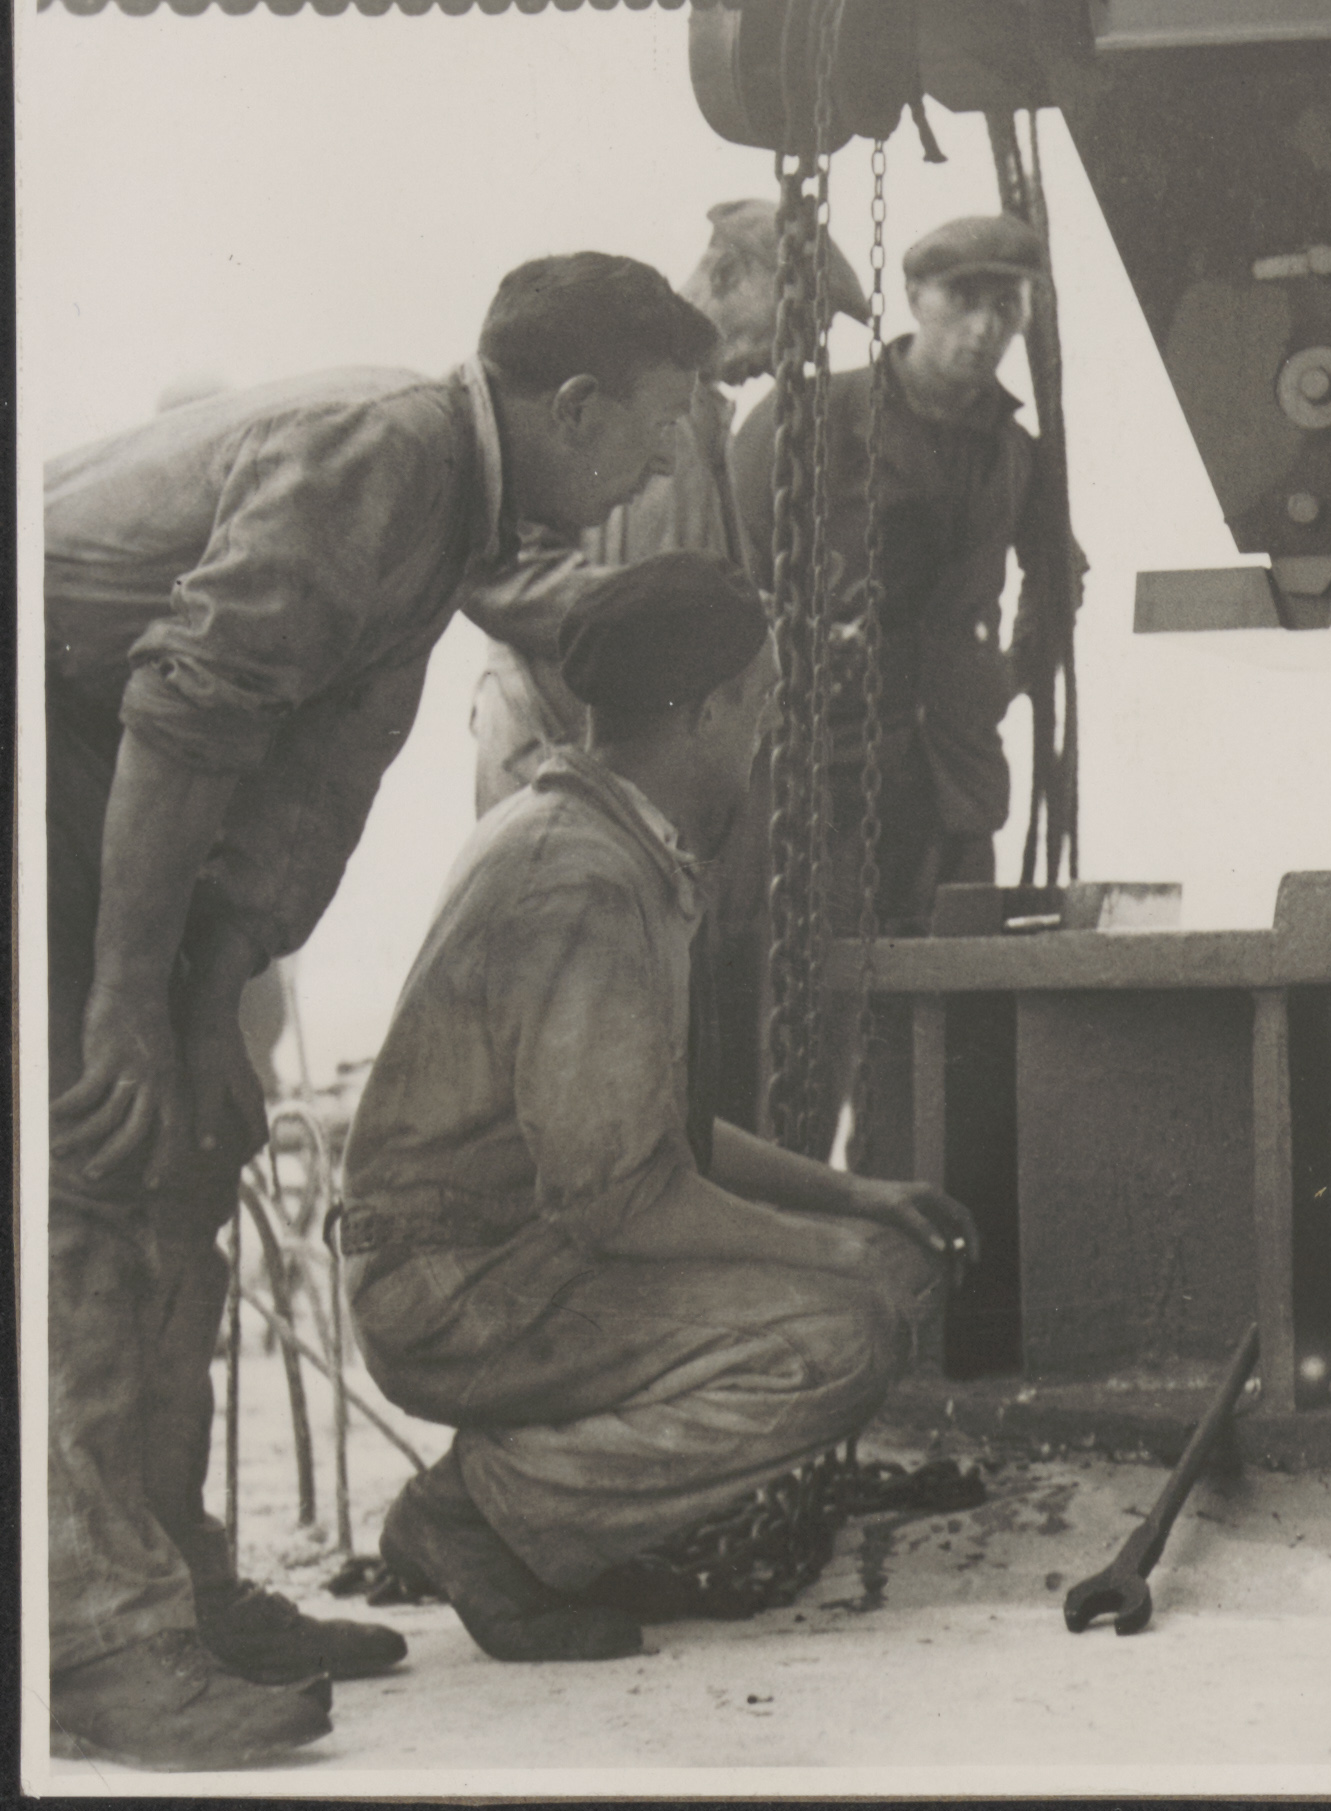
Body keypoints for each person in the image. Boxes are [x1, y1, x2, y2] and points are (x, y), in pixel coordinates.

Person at [44, 254, 713, 1766]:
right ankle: (85, 1639)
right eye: (662, 420)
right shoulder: (387, 458)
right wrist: (125, 1007)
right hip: (58, 739)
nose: (672, 460)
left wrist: (208, 1006)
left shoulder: (450, 511)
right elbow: (184, 710)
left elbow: (308, 792)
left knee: (184, 1153)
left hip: (101, 765)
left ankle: (179, 1590)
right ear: (575, 404)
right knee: (100, 1159)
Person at [341, 555, 979, 1665]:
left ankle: (544, 1516)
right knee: (842, 1334)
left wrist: (854, 1197)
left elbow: (654, 1130)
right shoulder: (582, 882)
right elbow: (623, 1203)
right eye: (763, 703)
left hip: (500, 1251)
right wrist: (835, 1252)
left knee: (882, 1263)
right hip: (453, 1287)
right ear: (707, 712)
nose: (768, 733)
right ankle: (479, 1516)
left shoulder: (586, 833)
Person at [726, 212, 1084, 1149]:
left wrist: (1002, 679)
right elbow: (734, 577)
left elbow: (1058, 577)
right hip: (819, 778)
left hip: (949, 785)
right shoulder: (810, 419)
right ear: (917, 297)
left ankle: (896, 1213)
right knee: (800, 1037)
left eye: (1005, 305)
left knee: (934, 1048)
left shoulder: (1016, 452)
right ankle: (787, 1211)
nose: (985, 327)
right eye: (964, 299)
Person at [463, 201, 867, 816]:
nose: (803, 353)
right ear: (727, 275)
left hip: (642, 777)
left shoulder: (706, 420)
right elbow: (498, 573)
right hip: (554, 754)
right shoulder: (597, 380)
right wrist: (673, 620)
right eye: (799, 319)